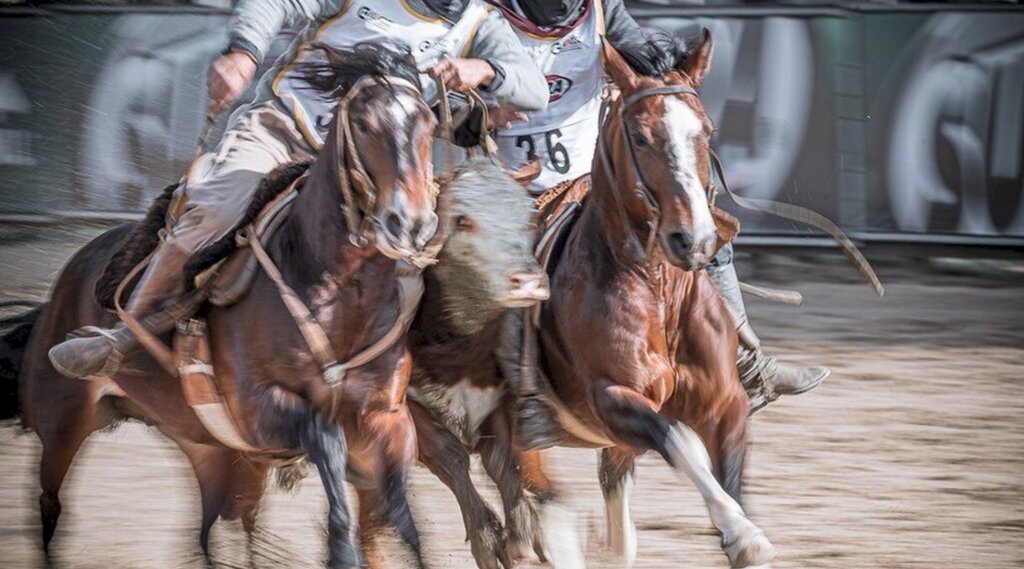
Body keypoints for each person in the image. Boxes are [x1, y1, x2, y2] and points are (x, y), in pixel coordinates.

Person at [49, 0, 548, 380]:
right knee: (215, 214)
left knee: (427, 254)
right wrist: (244, 52)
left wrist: (488, 71)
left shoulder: (483, 21)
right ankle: (123, 336)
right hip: (286, 132)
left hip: (380, 166)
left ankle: (399, 375)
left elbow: (535, 87)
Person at [486, 0, 830, 450]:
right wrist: (484, 114)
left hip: (594, 177)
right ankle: (525, 393)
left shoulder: (599, 8)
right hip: (516, 181)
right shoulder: (485, 16)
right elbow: (451, 93)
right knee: (513, 270)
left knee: (706, 232)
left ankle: (747, 364)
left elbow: (642, 52)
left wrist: (646, 77)